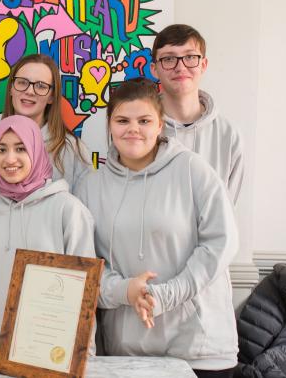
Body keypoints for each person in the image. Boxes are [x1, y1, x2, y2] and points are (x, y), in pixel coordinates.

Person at [74, 79, 238, 378]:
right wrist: (126, 290)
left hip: (199, 352)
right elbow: (86, 267)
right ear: (109, 126)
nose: (133, 129)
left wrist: (166, 295)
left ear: (160, 124)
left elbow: (220, 244)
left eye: (144, 120)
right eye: (122, 120)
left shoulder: (193, 169)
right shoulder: (89, 186)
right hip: (126, 355)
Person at [0, 115, 96, 354]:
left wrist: (83, 357)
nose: (10, 159)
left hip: (48, 362)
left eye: (21, 148)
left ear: (37, 151)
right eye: (1, 149)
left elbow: (84, 300)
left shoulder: (68, 212)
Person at [0, 54, 90, 207]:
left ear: (51, 96)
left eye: (41, 86)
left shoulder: (73, 150)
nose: (30, 91)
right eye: (22, 82)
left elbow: (82, 212)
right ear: (11, 88)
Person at [150, 24, 244, 204]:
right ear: (155, 69)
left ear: (203, 65)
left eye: (190, 57)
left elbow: (226, 210)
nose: (180, 67)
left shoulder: (228, 134)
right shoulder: (139, 129)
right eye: (169, 59)